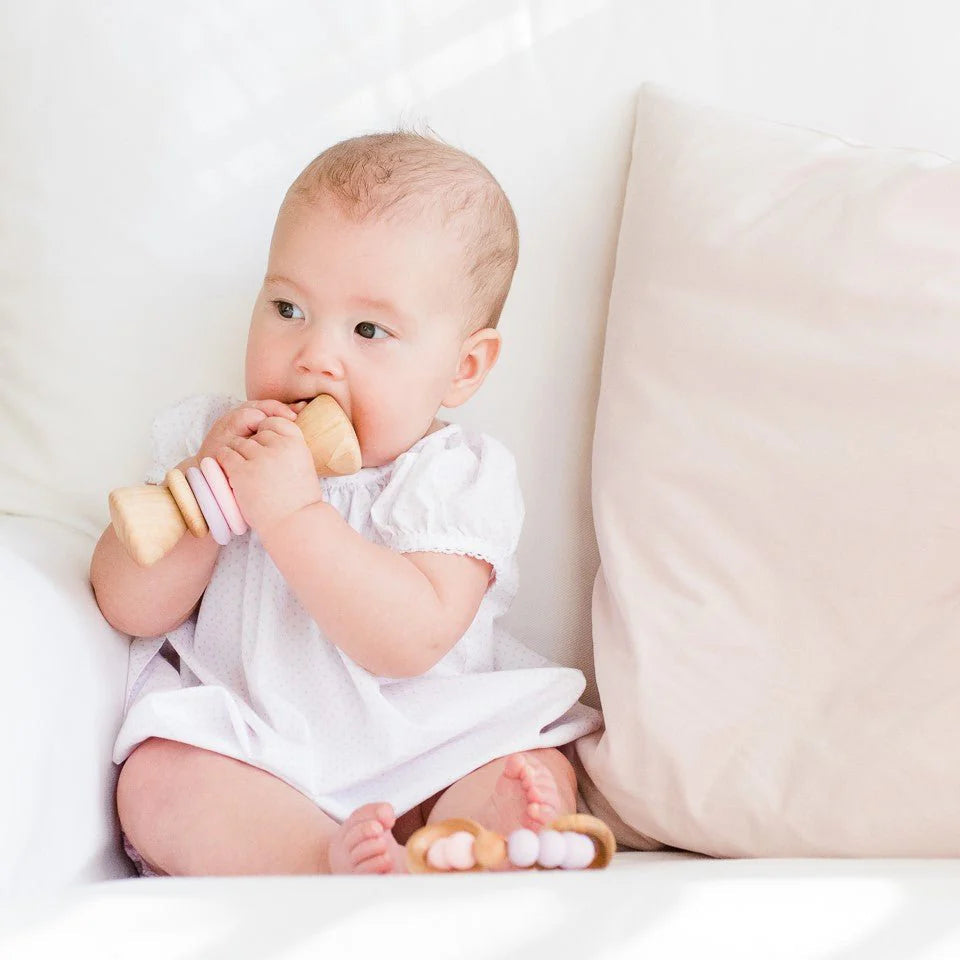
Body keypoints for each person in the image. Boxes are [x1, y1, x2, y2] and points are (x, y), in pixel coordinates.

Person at [90, 128, 601, 876]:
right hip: (255, 747)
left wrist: (295, 516)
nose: (314, 355)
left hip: (432, 742)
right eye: (289, 308)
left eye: (368, 329)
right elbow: (126, 607)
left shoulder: (454, 476)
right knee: (156, 779)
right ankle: (319, 858)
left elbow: (412, 638)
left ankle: (475, 831)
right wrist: (203, 503)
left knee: (527, 760)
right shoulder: (216, 439)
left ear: (463, 368)